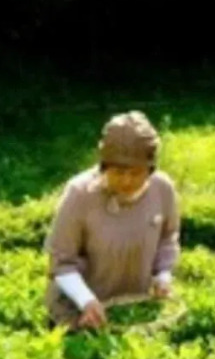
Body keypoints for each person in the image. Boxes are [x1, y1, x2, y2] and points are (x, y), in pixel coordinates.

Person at [44, 111, 181, 330]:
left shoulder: (162, 189)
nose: (127, 181)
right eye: (118, 171)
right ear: (104, 165)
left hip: (132, 310)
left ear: (150, 169)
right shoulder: (80, 193)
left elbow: (167, 238)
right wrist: (86, 301)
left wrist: (163, 275)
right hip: (78, 314)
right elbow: (62, 262)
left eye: (136, 173)